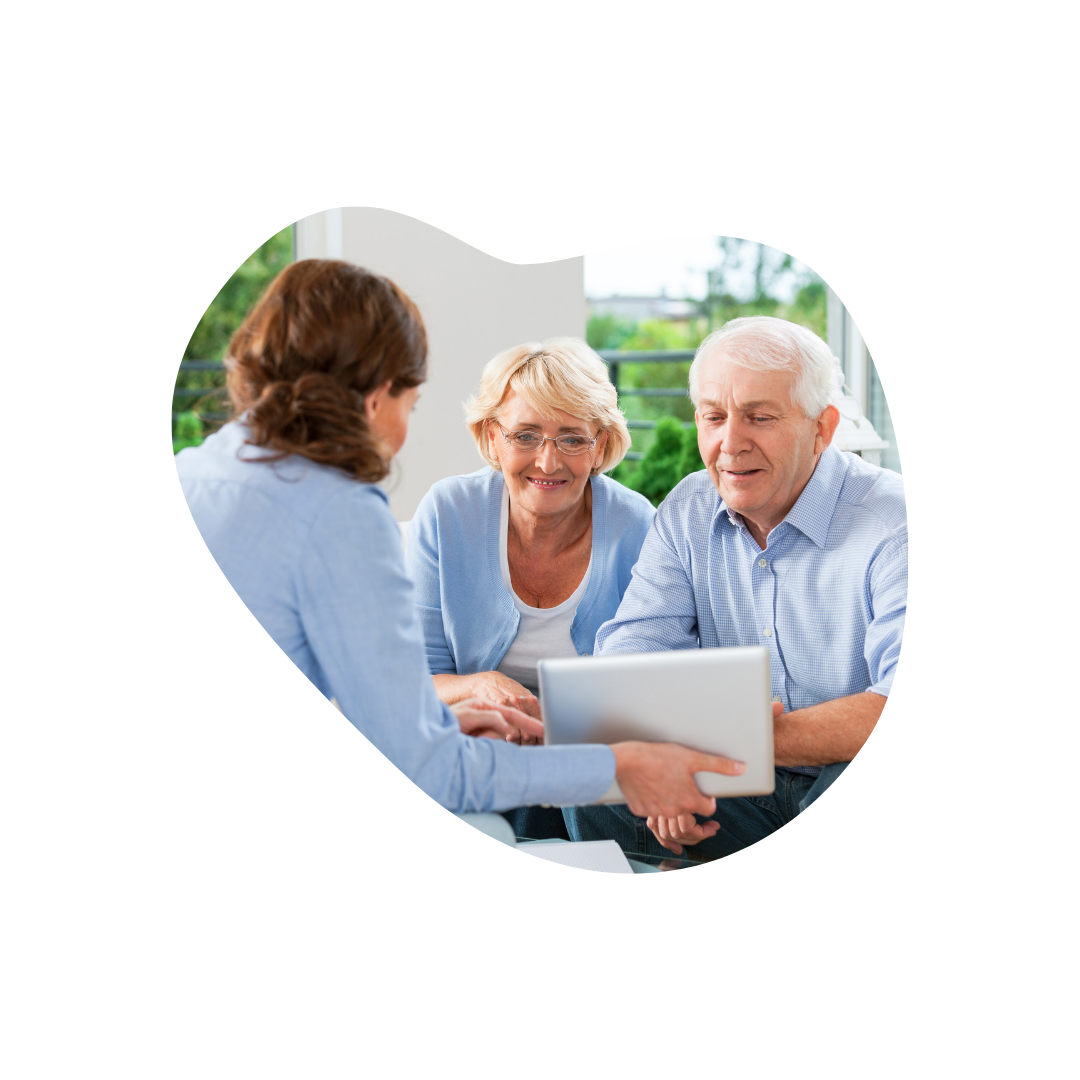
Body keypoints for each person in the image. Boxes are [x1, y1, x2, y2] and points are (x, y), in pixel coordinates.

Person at [174, 258, 747, 833]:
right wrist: (620, 767)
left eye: (572, 438)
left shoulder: (192, 471)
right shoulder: (341, 513)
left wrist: (434, 718)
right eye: (411, 404)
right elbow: (434, 768)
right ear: (375, 398)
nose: (548, 459)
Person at [565, 315, 908, 860]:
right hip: (735, 786)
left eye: (759, 417)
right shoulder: (689, 506)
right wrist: (663, 764)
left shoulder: (894, 517)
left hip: (836, 769)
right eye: (714, 416)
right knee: (591, 782)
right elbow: (627, 663)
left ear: (822, 428)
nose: (730, 443)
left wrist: (712, 742)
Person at [405, 339, 655, 839]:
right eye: (526, 436)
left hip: (590, 758)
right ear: (492, 438)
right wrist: (478, 684)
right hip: (477, 745)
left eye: (571, 439)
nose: (547, 462)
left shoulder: (637, 524)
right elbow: (413, 679)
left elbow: (649, 686)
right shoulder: (447, 512)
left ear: (600, 445)